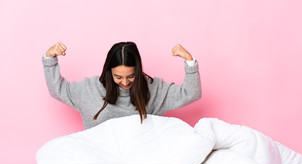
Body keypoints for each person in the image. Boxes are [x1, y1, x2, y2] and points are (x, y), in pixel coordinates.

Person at [42, 41, 201, 129]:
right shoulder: (89, 89)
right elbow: (58, 90)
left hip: (141, 160)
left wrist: (189, 61)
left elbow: (191, 93)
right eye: (118, 77)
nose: (125, 82)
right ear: (109, 72)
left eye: (131, 76)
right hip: (101, 159)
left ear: (138, 72)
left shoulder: (154, 89)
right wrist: (50, 59)